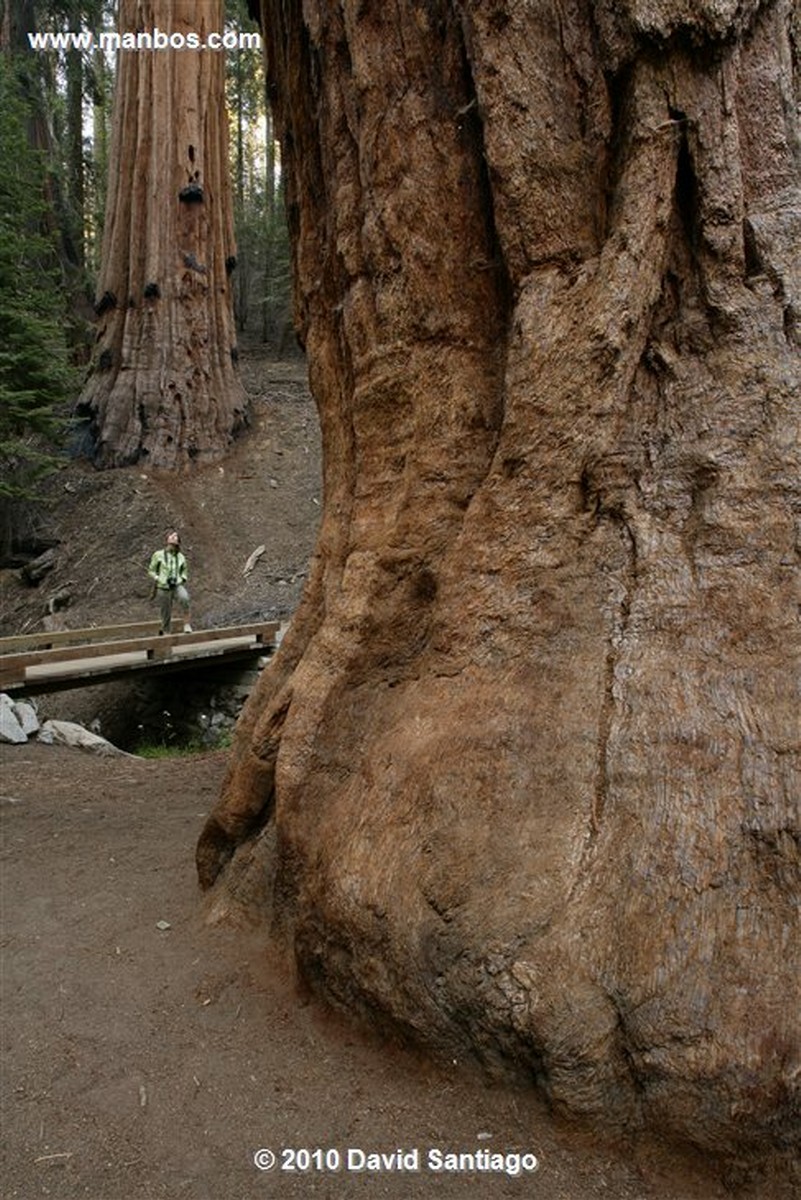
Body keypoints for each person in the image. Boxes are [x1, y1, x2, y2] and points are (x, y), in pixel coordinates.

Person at [148, 531, 192, 634]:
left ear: (178, 541)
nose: (173, 537)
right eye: (171, 536)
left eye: (176, 536)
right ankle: (166, 631)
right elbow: (151, 570)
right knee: (165, 610)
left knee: (185, 598)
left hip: (176, 585)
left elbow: (184, 572)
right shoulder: (158, 554)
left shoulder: (181, 557)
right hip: (163, 586)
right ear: (167, 539)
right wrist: (158, 577)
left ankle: (186, 624)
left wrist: (181, 579)